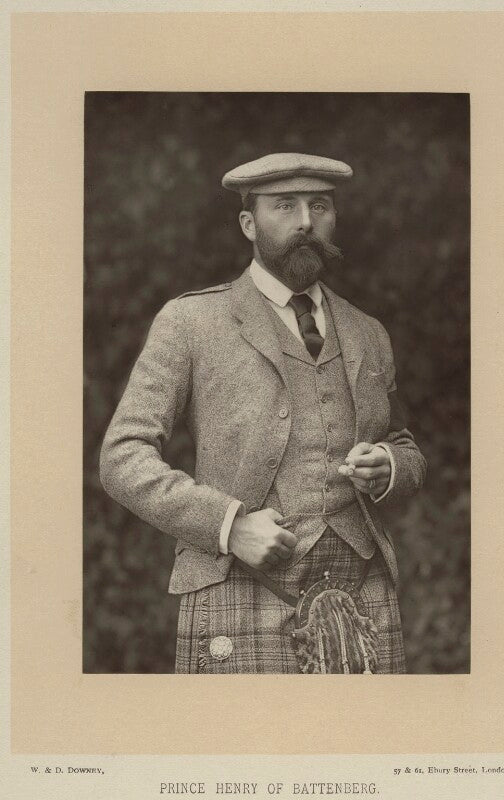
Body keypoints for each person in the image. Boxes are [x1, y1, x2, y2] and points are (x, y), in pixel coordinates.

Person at [99, 152, 427, 674]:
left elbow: (405, 445)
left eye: (319, 205)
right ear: (248, 224)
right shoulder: (191, 321)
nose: (306, 222)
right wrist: (228, 526)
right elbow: (122, 456)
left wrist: (390, 464)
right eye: (285, 206)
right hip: (238, 588)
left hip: (363, 594)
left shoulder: (368, 331)